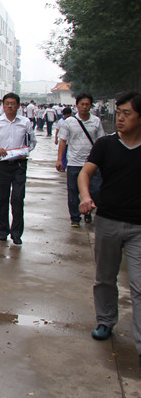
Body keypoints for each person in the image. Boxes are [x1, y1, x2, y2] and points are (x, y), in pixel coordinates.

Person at [77, 92, 141, 357]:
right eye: (119, 112)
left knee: (139, 285)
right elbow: (85, 172)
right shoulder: (106, 144)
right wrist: (85, 197)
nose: (120, 118)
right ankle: (105, 320)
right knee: (105, 278)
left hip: (138, 227)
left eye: (127, 113)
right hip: (107, 221)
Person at [0, 93, 37, 245]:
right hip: (2, 164)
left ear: (18, 106)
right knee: (2, 198)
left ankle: (17, 233)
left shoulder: (25, 122)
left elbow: (32, 141)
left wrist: (26, 151)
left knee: (18, 198)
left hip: (19, 165)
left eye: (13, 103)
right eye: (7, 103)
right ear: (3, 105)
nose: (10, 106)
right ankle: (3, 230)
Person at [56, 94, 104, 227]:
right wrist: (60, 159)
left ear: (90, 106)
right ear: (77, 105)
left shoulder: (96, 121)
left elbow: (101, 141)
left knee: (95, 190)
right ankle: (75, 218)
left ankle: (88, 210)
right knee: (73, 191)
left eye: (87, 104)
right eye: (82, 104)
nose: (84, 107)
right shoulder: (69, 122)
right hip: (74, 162)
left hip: (92, 163)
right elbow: (63, 141)